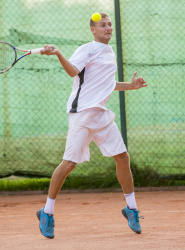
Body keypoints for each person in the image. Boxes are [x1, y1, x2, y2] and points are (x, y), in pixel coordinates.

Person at [36, 12, 147, 239]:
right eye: (102, 25)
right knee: (68, 164)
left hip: (101, 116)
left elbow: (106, 84)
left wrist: (131, 86)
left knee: (123, 157)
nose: (108, 28)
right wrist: (58, 53)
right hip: (82, 115)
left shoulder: (108, 51)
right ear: (93, 30)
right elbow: (73, 71)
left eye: (109, 25)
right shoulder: (86, 49)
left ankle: (132, 209)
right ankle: (46, 213)